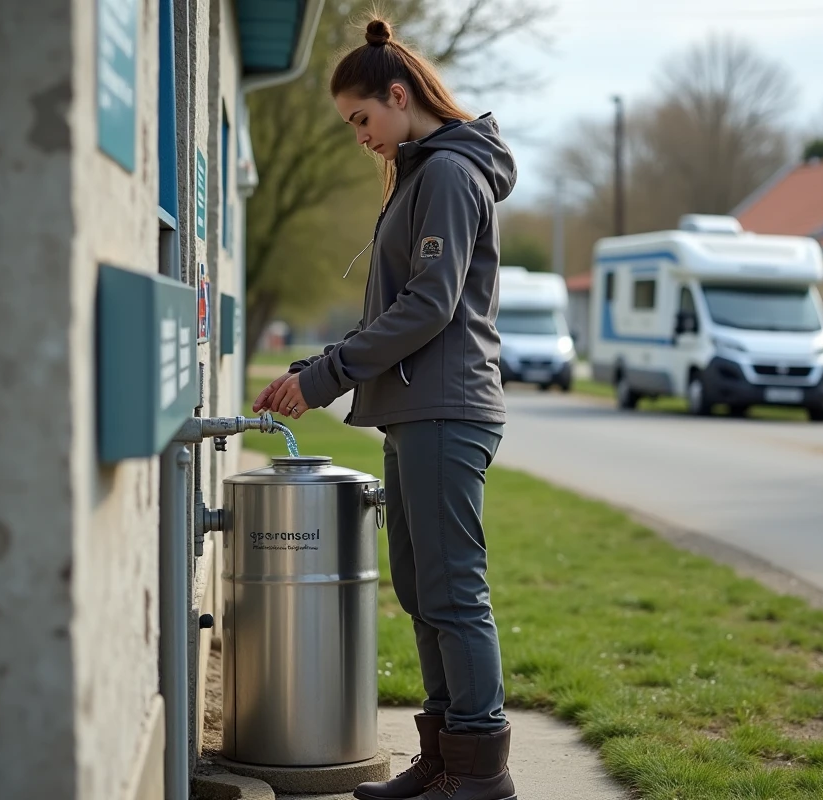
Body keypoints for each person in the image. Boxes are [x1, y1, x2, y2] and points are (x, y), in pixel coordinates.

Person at [251, 16, 518, 800]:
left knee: (453, 589)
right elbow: (399, 305)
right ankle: (442, 762)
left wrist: (329, 377)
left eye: (361, 119)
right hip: (416, 411)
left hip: (447, 408)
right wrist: (317, 366)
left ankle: (479, 777)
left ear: (398, 96)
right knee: (420, 586)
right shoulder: (421, 173)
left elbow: (430, 305)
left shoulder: (447, 174)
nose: (360, 136)